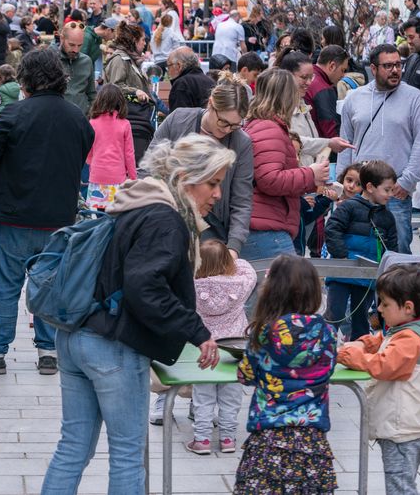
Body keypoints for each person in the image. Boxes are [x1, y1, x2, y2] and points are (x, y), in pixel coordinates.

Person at [40, 134, 230, 492]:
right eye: (213, 183)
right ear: (186, 179)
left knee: (73, 446)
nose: (217, 195)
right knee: (128, 452)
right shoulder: (165, 219)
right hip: (112, 344)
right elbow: (146, 288)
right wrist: (198, 331)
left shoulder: (136, 202)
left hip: (76, 334)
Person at [0, 49, 94, 376]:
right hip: (58, 221)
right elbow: (83, 156)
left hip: (11, 218)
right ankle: (47, 352)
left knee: (4, 288)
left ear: (24, 78)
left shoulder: (11, 115)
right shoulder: (77, 118)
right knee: (49, 288)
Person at [337, 265, 420, 494]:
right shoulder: (410, 329)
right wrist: (363, 343)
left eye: (385, 303)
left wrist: (348, 354)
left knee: (400, 489)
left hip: (401, 432)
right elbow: (383, 339)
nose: (379, 309)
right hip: (405, 429)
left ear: (408, 307)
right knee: (402, 486)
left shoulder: (409, 340)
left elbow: (384, 365)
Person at [234, 256, 338, 494]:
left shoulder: (263, 332)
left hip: (267, 441)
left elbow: (246, 375)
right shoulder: (327, 332)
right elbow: (328, 369)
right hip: (313, 444)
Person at [338, 43, 420, 253]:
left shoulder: (415, 98)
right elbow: (345, 143)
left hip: (396, 191)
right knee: (360, 249)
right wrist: (342, 184)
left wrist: (407, 181)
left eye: (398, 65)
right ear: (373, 69)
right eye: (388, 66)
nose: (395, 70)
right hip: (360, 191)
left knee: (398, 250)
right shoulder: (354, 98)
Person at [149, 74, 253, 259]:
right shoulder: (178, 120)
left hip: (213, 229)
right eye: (224, 122)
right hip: (168, 218)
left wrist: (234, 248)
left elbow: (242, 200)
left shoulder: (241, 142)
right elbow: (148, 170)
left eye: (235, 125)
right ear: (211, 104)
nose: (228, 130)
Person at [241, 68, 329, 260]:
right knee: (289, 288)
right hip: (266, 229)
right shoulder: (269, 128)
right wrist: (310, 174)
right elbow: (269, 179)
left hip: (263, 224)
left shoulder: (260, 124)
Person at [186, 240, 256, 455]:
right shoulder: (240, 283)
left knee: (203, 397)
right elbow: (249, 270)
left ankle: (202, 439)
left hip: (203, 350)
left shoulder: (190, 286)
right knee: (231, 396)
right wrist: (233, 259)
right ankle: (227, 438)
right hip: (234, 351)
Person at [324, 160, 399, 340]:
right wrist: (341, 255)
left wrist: (389, 269)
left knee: (360, 318)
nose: (390, 194)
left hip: (367, 277)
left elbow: (392, 246)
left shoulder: (387, 217)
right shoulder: (349, 207)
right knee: (335, 313)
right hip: (342, 272)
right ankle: (321, 347)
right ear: (371, 187)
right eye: (387, 190)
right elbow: (332, 228)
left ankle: (359, 351)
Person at [103, 22, 154, 160]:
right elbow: (114, 87)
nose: (145, 43)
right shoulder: (120, 59)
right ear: (133, 40)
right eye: (142, 39)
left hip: (135, 121)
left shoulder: (131, 60)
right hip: (127, 121)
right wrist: (135, 92)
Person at [84, 85, 137, 210]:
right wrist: (133, 178)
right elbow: (129, 154)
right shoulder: (125, 124)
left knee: (96, 217)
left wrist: (94, 163)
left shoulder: (92, 122)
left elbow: (88, 151)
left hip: (97, 176)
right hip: (117, 177)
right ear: (120, 101)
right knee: (116, 216)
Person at [305, 44, 349, 139]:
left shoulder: (307, 76)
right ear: (332, 66)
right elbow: (331, 131)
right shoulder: (323, 88)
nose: (343, 75)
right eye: (343, 70)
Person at [56, 20, 97, 115]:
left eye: (80, 45)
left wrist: (91, 113)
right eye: (71, 45)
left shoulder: (87, 61)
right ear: (62, 39)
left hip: (82, 118)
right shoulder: (51, 59)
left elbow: (91, 93)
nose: (75, 50)